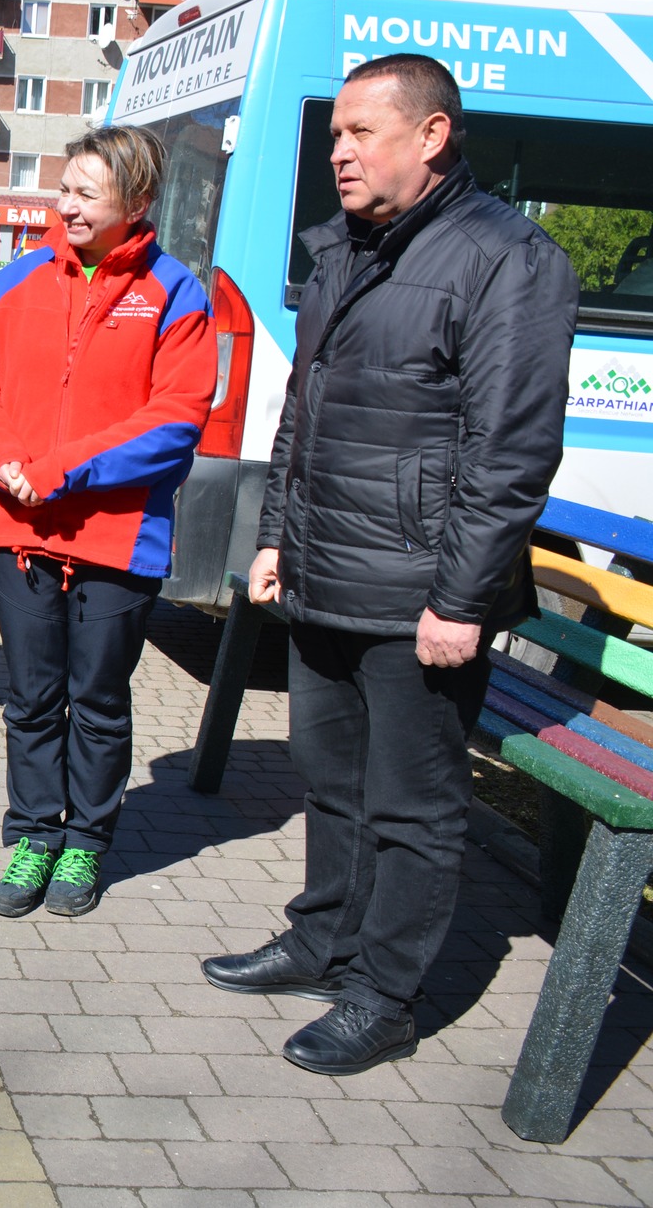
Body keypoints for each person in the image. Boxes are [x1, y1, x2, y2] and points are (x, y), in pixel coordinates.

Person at [202, 54, 578, 1075]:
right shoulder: (341, 252)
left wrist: (459, 601)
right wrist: (274, 534)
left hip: (419, 596)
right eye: (334, 135)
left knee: (411, 806)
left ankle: (383, 993)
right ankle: (322, 939)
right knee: (328, 776)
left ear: (431, 137)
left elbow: (509, 452)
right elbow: (302, 418)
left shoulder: (508, 261)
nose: (338, 152)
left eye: (361, 133)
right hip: (325, 571)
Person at [0, 126, 215, 918]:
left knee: (97, 698)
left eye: (84, 193)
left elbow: (177, 415)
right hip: (17, 528)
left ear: (135, 202)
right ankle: (34, 832)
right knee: (32, 697)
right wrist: (4, 461)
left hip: (117, 536)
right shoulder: (18, 280)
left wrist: (65, 470)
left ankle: (87, 843)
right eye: (63, 188)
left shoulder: (176, 292)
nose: (64, 204)